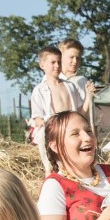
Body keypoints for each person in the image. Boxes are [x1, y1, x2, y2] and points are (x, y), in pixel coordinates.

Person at [36, 110, 110, 220]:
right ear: (55, 146)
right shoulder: (55, 186)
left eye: (88, 131)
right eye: (75, 134)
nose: (87, 137)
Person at [30, 46, 87, 175]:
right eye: (53, 62)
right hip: (52, 133)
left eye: (59, 62)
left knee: (75, 166)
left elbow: (79, 111)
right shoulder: (39, 90)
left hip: (71, 131)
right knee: (52, 168)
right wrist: (49, 127)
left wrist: (88, 96)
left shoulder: (70, 86)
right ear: (42, 65)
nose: (57, 66)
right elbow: (37, 118)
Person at [58, 38, 97, 119]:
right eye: (71, 57)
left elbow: (87, 112)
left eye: (78, 58)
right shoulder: (50, 79)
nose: (75, 61)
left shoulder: (82, 81)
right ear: (61, 56)